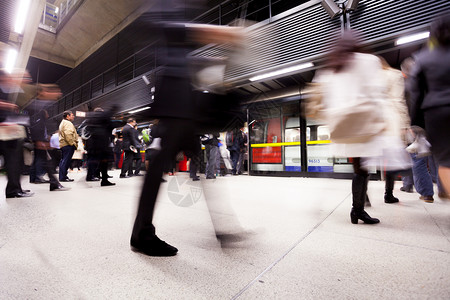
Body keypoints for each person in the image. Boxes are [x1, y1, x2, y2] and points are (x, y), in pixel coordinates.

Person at [130, 7, 243, 256]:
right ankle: (141, 234)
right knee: (158, 169)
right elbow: (167, 29)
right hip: (174, 101)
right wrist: (221, 33)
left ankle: (223, 229)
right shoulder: (167, 7)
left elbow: (180, 47)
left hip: (184, 101)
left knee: (200, 166)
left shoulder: (179, 8)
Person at [313, 31, 386, 225]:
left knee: (359, 167)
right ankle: (358, 210)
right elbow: (376, 92)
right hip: (362, 122)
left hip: (343, 125)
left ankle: (359, 208)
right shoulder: (368, 61)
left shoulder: (332, 68)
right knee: (362, 168)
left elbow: (323, 98)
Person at [408, 14, 450, 196]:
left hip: (437, 113)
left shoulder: (424, 57)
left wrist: (416, 124)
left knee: (445, 161)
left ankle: (442, 189)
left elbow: (415, 94)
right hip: (437, 111)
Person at [0, 69, 33, 198]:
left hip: (9, 130)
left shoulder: (8, 91)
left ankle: (16, 188)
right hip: (4, 130)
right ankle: (13, 190)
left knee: (16, 161)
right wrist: (7, 106)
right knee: (13, 161)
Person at [84, 107, 117, 186]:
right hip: (103, 142)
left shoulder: (89, 117)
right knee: (104, 161)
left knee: (92, 160)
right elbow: (110, 127)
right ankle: (104, 180)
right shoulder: (104, 117)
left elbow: (86, 129)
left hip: (92, 143)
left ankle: (90, 176)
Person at [58, 110, 78, 182]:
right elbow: (68, 134)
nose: (73, 116)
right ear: (67, 116)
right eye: (72, 115)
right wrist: (72, 143)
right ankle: (63, 177)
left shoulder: (63, 122)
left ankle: (62, 176)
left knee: (63, 161)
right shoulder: (67, 123)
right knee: (65, 161)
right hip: (68, 145)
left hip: (64, 144)